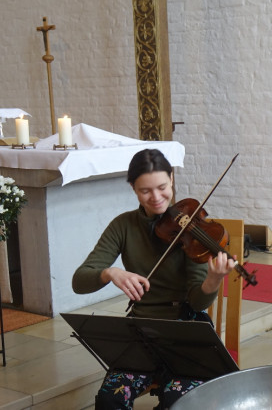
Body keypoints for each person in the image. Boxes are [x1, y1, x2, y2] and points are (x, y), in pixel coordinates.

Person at [72, 148, 235, 410]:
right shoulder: (122, 226)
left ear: (172, 178)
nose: (156, 198)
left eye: (162, 187)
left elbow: (196, 301)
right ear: (133, 189)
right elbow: (79, 281)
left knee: (177, 402)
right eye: (145, 191)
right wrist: (109, 272)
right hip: (141, 331)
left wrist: (213, 279)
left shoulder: (191, 228)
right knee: (109, 398)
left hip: (185, 329)